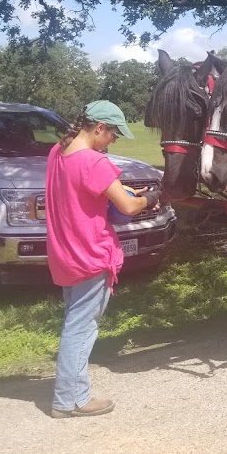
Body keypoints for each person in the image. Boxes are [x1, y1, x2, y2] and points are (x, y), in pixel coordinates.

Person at [46, 101, 161, 418]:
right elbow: (127, 207)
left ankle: (72, 392)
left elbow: (82, 190)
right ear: (99, 128)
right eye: (113, 135)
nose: (114, 141)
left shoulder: (58, 152)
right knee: (81, 329)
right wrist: (150, 197)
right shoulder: (94, 163)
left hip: (65, 253)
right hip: (90, 255)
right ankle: (71, 400)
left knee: (75, 323)